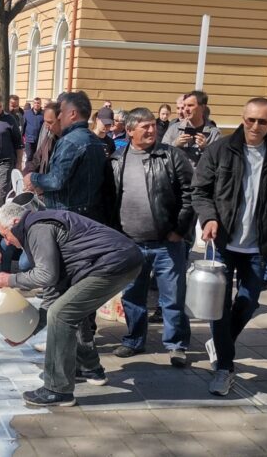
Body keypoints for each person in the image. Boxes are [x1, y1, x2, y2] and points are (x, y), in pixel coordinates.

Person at [0, 203, 143, 406]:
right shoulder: (38, 227)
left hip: (114, 263)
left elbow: (46, 275)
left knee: (61, 314)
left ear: (16, 223)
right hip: (120, 260)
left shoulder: (38, 228)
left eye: (5, 235)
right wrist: (26, 332)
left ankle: (57, 389)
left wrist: (9, 280)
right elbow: (53, 292)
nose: (7, 242)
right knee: (68, 307)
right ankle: (90, 368)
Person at [104, 107, 194, 367]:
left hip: (167, 242)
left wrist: (180, 230)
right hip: (129, 242)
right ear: (130, 131)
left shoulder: (171, 156)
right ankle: (134, 340)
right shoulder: (116, 159)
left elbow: (190, 194)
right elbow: (109, 200)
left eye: (153, 125)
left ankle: (176, 345)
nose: (152, 130)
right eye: (145, 126)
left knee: (172, 296)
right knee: (132, 295)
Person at [191, 97, 267, 396]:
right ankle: (225, 368)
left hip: (258, 246)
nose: (255, 126)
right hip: (224, 242)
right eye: (251, 120)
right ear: (242, 117)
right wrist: (209, 218)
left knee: (248, 302)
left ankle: (221, 343)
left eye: (263, 121)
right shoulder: (220, 150)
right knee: (220, 309)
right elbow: (200, 190)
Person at [23, 91, 107, 223]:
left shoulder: (70, 141)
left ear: (73, 114)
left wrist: (33, 178)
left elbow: (56, 180)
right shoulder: (94, 140)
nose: (59, 116)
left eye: (62, 112)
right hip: (89, 217)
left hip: (68, 218)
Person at [162, 90, 221, 166]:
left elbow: (219, 161)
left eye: (190, 105)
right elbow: (161, 153)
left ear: (202, 107)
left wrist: (205, 148)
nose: (185, 109)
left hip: (201, 176)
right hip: (178, 176)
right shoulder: (174, 129)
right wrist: (175, 144)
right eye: (184, 106)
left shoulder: (214, 133)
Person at [23, 97, 43, 163]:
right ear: (33, 104)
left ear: (40, 104)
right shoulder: (27, 114)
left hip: (39, 140)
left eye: (38, 103)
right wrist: (22, 138)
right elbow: (23, 126)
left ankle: (34, 172)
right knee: (29, 157)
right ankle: (27, 171)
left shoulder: (43, 114)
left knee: (37, 158)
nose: (36, 104)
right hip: (29, 140)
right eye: (35, 103)